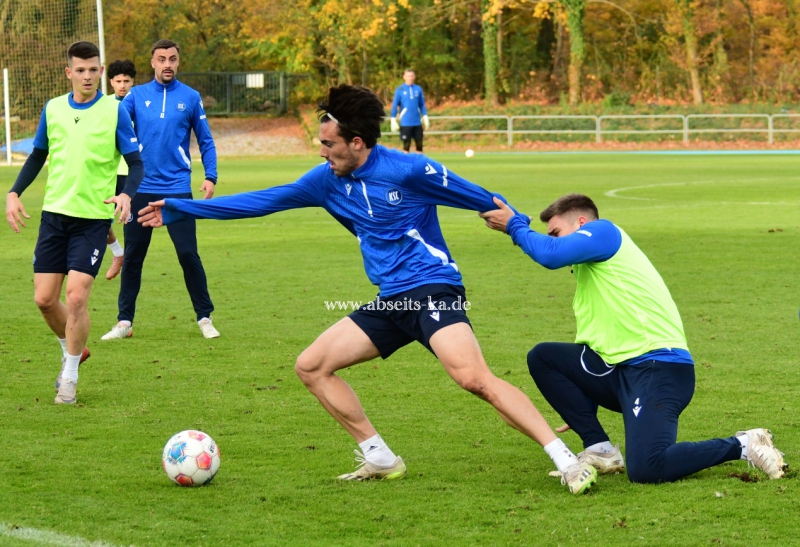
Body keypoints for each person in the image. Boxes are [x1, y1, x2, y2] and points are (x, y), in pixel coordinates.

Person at [137, 84, 597, 494]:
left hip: (431, 289)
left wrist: (522, 229)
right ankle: (379, 457)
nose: (322, 153)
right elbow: (264, 201)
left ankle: (568, 461)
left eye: (329, 145)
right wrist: (181, 208)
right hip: (390, 300)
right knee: (312, 366)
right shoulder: (325, 181)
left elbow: (484, 199)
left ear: (357, 142)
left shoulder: (410, 170)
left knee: (472, 378)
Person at [479, 193, 788, 483]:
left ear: (582, 224)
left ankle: (745, 444)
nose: (554, 240)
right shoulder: (589, 270)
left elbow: (549, 254)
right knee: (544, 357)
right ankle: (600, 450)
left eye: (557, 232)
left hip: (659, 368)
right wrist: (579, 400)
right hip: (620, 370)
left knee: (647, 467)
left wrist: (514, 225)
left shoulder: (604, 232)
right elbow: (596, 343)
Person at [4, 41, 144, 404]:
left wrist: (127, 194)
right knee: (44, 300)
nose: (87, 76)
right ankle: (73, 349)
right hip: (54, 216)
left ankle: (69, 377)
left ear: (101, 71)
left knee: (77, 296)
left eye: (93, 69)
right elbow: (38, 155)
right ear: (69, 73)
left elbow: (136, 163)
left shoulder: (114, 110)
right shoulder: (53, 109)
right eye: (80, 70)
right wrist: (14, 192)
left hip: (93, 219)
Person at [101, 39, 220, 341]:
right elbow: (112, 128)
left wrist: (211, 176)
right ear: (153, 62)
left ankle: (205, 317)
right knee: (134, 257)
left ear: (178, 61)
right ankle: (124, 322)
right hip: (141, 189)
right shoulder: (136, 96)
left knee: (188, 254)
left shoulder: (191, 97)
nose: (168, 64)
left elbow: (205, 140)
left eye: (173, 59)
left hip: (177, 190)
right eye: (162, 59)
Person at [104, 59, 138, 280]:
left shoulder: (140, 104)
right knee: (100, 217)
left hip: (131, 172)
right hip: (107, 171)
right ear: (111, 82)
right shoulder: (103, 104)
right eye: (118, 81)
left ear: (132, 81)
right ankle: (118, 253)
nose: (122, 85)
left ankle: (130, 268)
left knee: (130, 222)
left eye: (126, 81)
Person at [390, 69, 429, 153]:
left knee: (419, 144)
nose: (410, 78)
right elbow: (395, 105)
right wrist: (393, 118)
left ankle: (419, 161)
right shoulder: (400, 89)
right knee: (406, 145)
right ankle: (406, 161)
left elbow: (422, 104)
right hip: (406, 122)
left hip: (417, 122)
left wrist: (425, 116)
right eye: (408, 76)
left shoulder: (418, 89)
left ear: (414, 77)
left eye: (411, 76)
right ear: (404, 77)